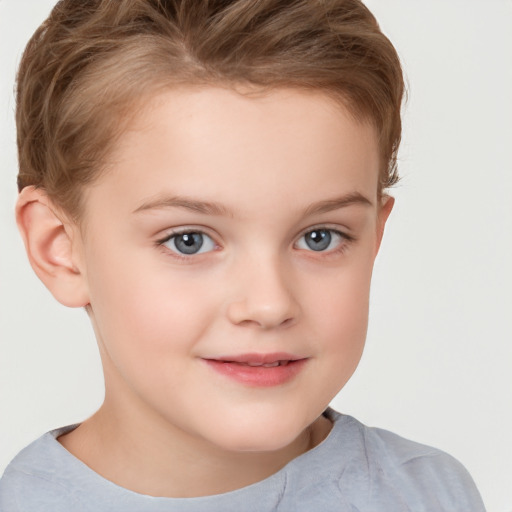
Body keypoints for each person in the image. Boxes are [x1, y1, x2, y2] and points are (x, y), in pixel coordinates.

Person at [0, 0, 486, 510]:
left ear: (374, 239)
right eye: (189, 239)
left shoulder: (432, 495)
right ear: (61, 249)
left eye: (320, 236)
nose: (269, 304)